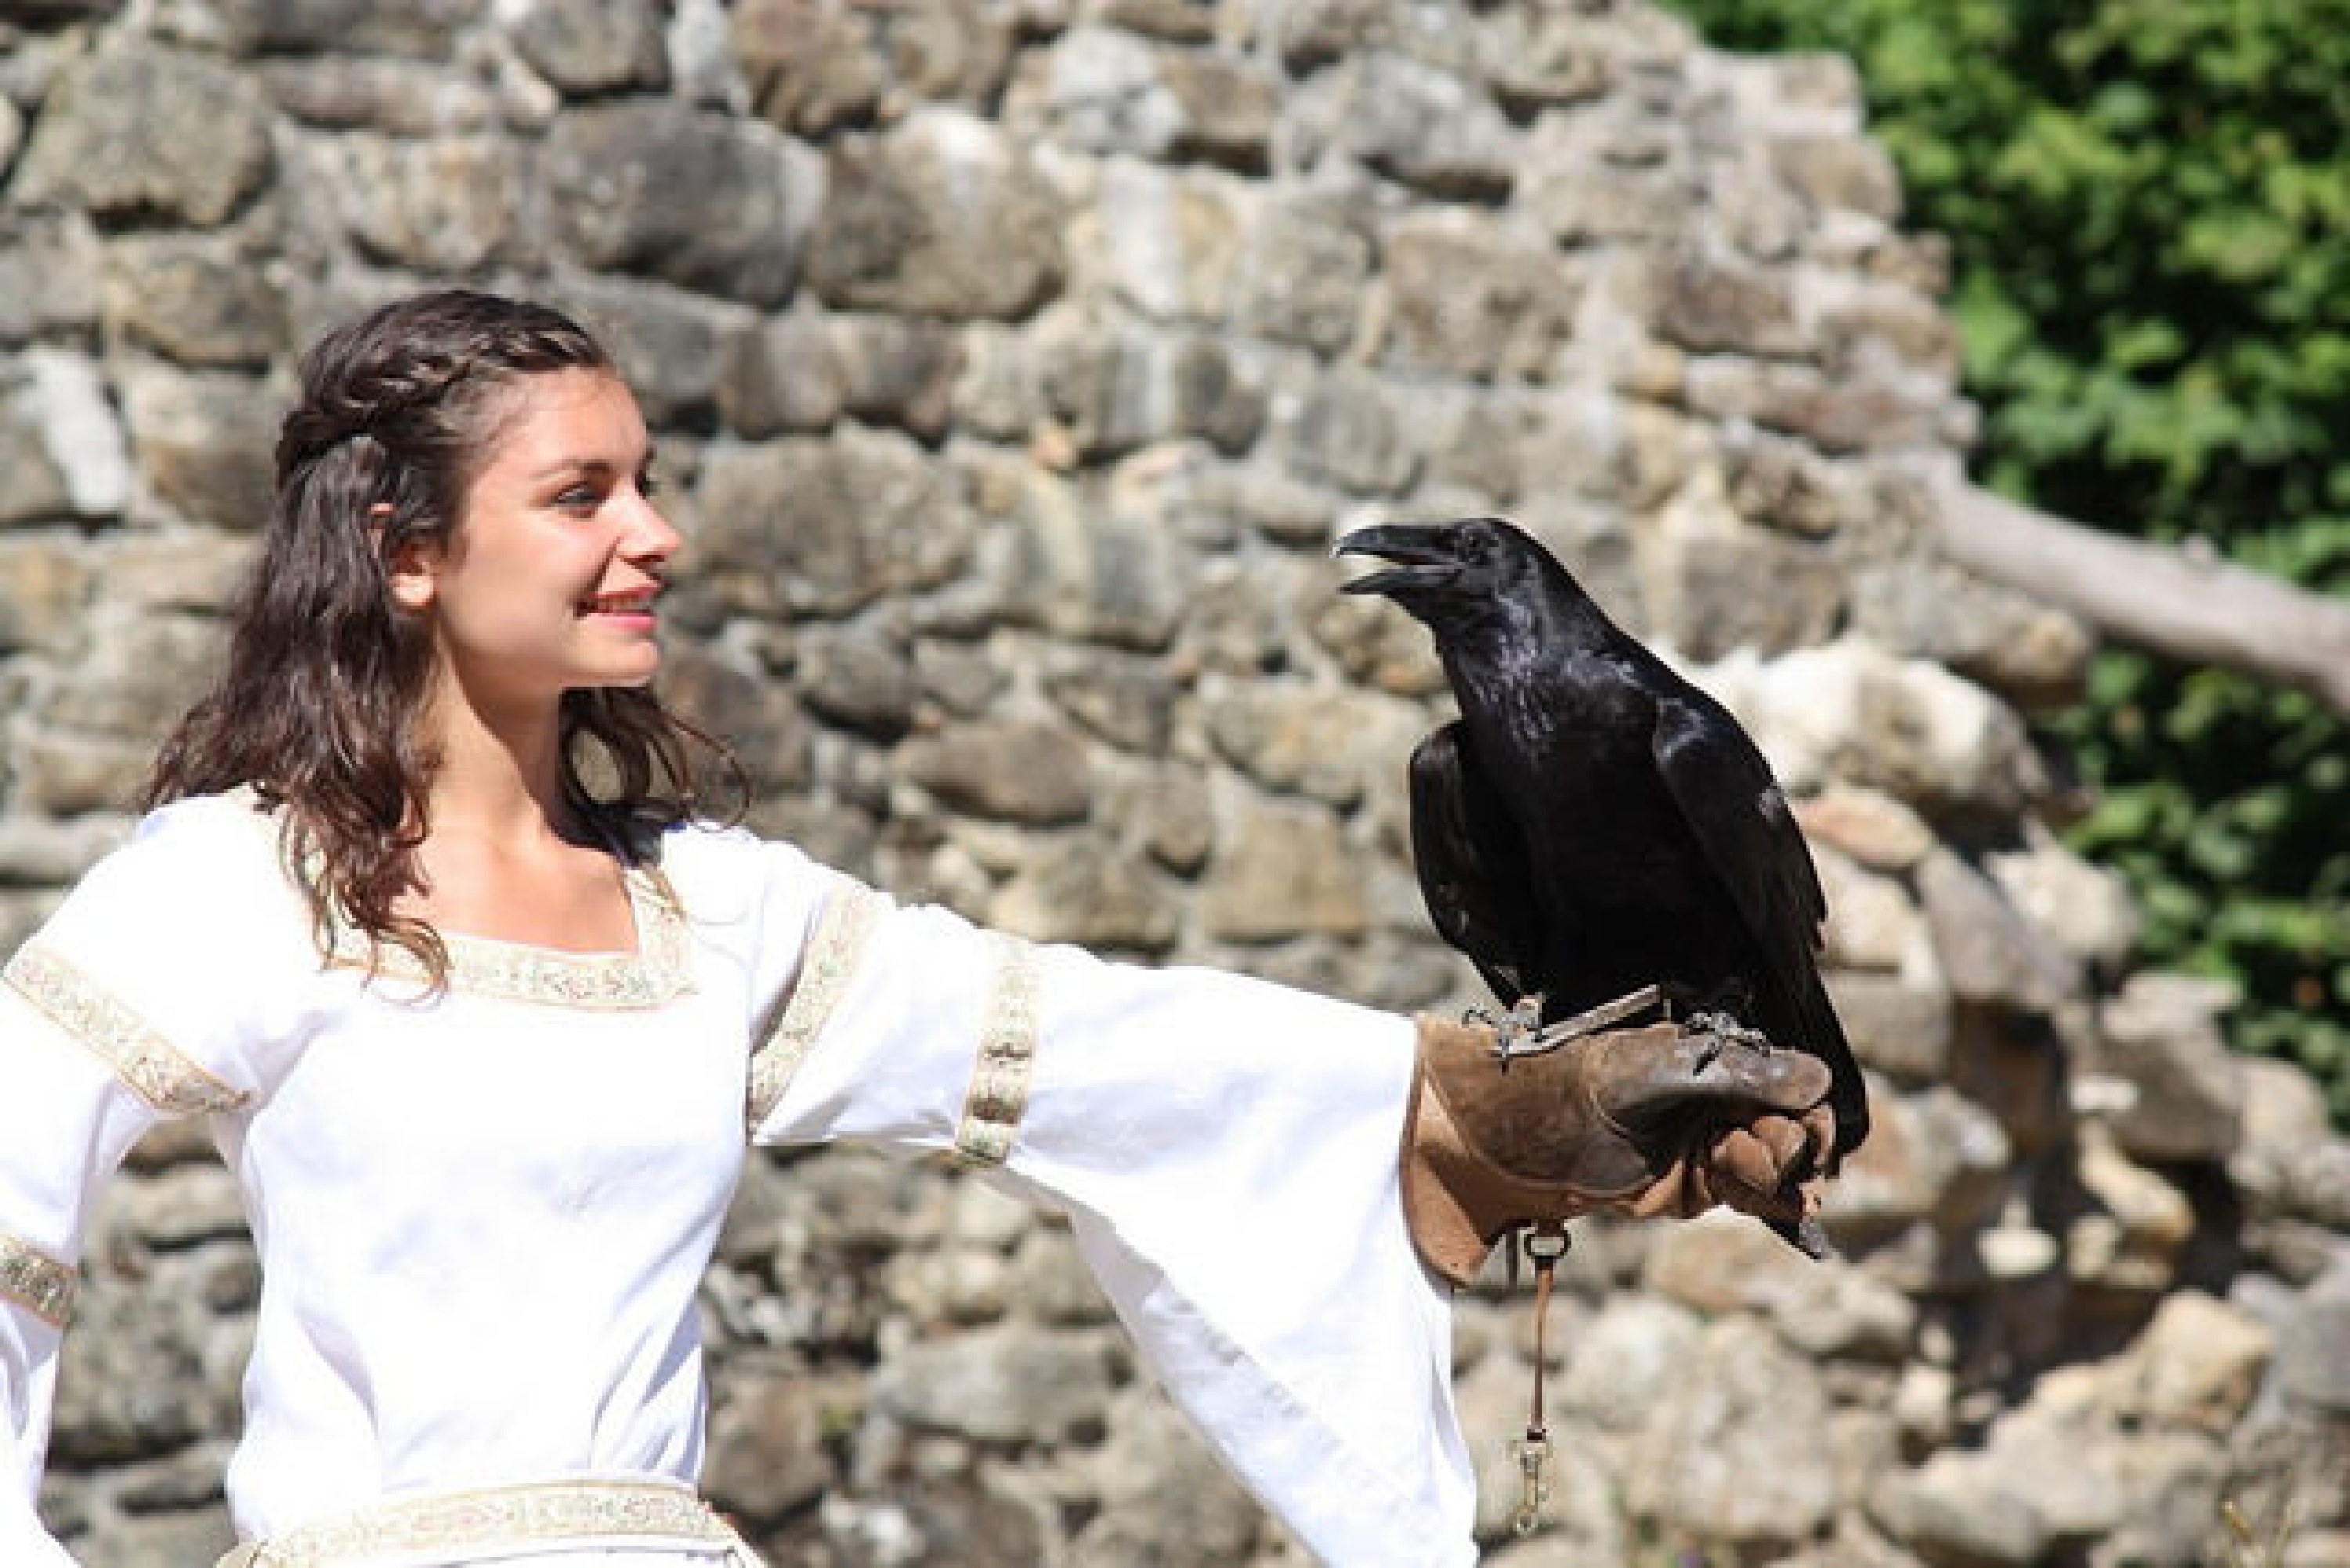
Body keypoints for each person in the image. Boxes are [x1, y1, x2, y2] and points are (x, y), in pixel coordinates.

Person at [0, 290, 1838, 1567]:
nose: (657, 533)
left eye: (649, 480)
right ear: (406, 550)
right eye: (582, 495)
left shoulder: (708, 906)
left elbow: (1103, 1048)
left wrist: (1453, 1110)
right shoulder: (238, 883)